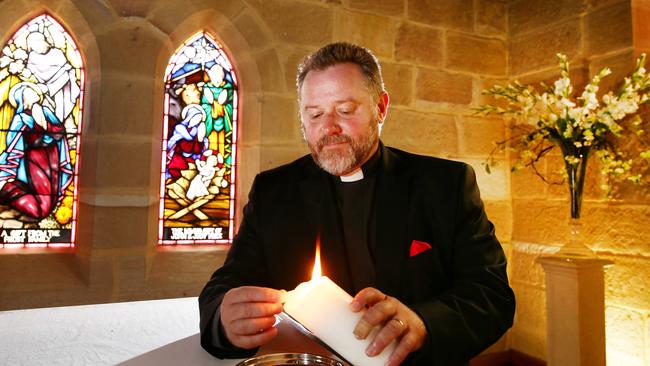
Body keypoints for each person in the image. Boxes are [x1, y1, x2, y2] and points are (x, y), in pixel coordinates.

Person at [199, 42, 515, 365]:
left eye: (345, 110)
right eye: (315, 114)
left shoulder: (445, 185)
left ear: (381, 108)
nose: (329, 128)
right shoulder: (273, 191)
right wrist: (224, 320)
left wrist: (424, 324)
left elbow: (492, 295)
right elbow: (223, 287)